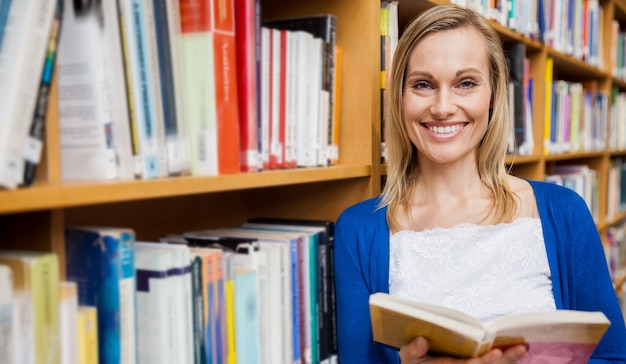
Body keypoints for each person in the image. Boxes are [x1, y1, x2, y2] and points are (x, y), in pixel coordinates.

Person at [333, 4, 626, 364]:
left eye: (466, 83)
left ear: (493, 94)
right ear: (399, 97)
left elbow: (612, 357)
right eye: (423, 84)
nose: (443, 107)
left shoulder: (564, 212)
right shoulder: (359, 231)